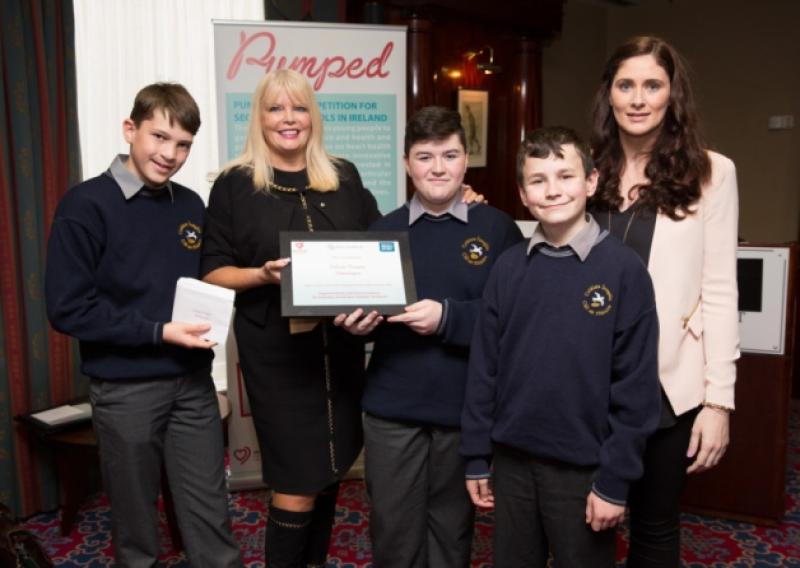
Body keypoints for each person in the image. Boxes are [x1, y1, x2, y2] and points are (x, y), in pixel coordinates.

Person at [45, 83, 243, 568]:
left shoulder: (192, 205)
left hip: (193, 384)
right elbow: (67, 308)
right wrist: (159, 332)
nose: (170, 154)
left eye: (183, 145)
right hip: (124, 388)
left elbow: (207, 281)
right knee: (135, 523)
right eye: (159, 137)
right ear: (130, 130)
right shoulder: (86, 205)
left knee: (210, 511)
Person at [461, 126, 661, 567]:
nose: (553, 191)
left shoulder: (624, 270)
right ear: (523, 194)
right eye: (538, 180)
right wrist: (476, 454)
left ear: (590, 182)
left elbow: (637, 387)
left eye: (566, 176)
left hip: (585, 468)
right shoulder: (508, 269)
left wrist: (615, 480)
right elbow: (484, 370)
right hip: (512, 463)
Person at [334, 106, 523, 567]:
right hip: (392, 409)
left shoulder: (498, 229)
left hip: (465, 410)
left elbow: (517, 321)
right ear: (406, 163)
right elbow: (360, 316)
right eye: (424, 157)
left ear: (465, 160)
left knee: (451, 531)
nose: (438, 168)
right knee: (394, 531)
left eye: (449, 154)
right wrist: (357, 329)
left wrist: (448, 319)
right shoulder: (381, 231)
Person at [589, 36, 739, 567]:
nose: (637, 98)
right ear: (608, 94)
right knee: (583, 526)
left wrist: (719, 402)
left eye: (652, 85)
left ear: (672, 95)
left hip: (665, 382)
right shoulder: (584, 169)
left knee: (654, 527)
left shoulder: (712, 172)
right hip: (585, 381)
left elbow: (720, 289)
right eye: (625, 85)